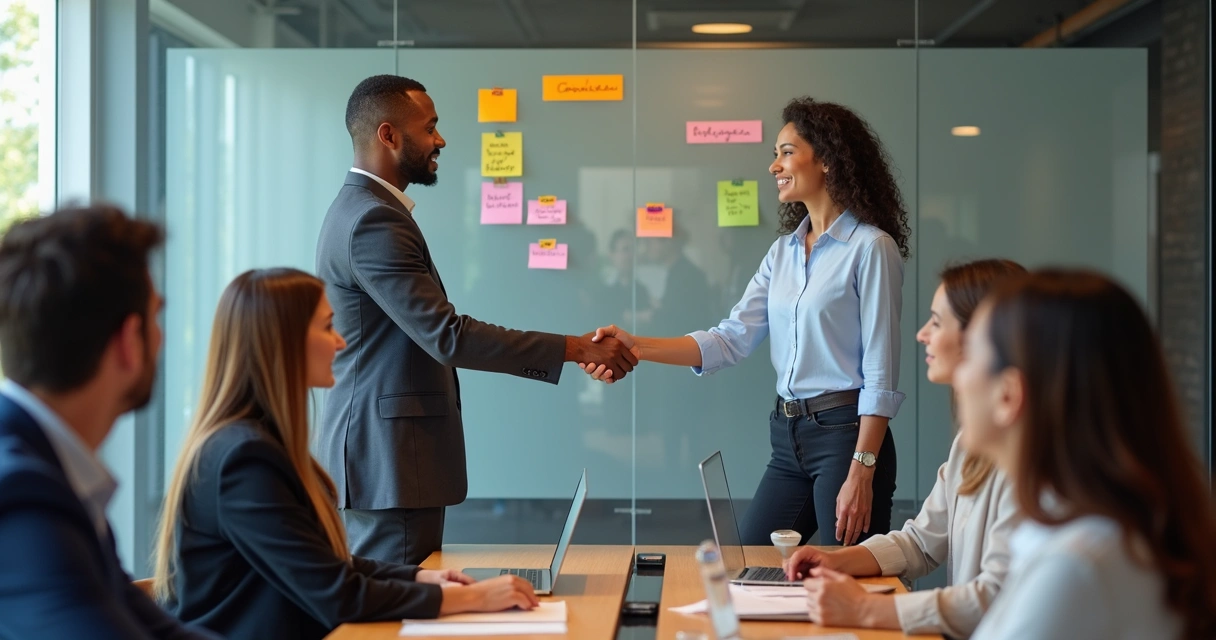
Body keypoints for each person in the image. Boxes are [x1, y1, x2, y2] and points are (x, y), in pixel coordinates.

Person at [315, 74, 636, 565]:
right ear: (388, 135)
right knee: (396, 612)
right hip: (390, 461)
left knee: (400, 602)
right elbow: (446, 335)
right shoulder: (373, 221)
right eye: (431, 127)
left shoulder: (362, 211)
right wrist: (576, 347)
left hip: (388, 459)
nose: (440, 139)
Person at [584, 96, 910, 547]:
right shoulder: (783, 253)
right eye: (775, 154)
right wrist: (635, 343)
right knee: (748, 565)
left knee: (847, 584)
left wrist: (863, 469)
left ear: (829, 160)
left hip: (846, 437)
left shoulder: (871, 249)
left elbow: (881, 373)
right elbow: (729, 339)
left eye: (786, 152)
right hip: (788, 435)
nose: (774, 165)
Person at [153, 268, 539, 640]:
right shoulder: (244, 460)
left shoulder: (252, 443)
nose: (340, 341)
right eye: (326, 327)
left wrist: (419, 577)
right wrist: (472, 598)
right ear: (283, 343)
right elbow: (336, 595)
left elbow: (322, 563)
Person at [956, 270, 1216, 639]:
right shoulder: (1103, 534)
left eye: (968, 355)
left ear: (1009, 394)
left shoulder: (1074, 566)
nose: (958, 377)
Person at [0, 206, 218, 639]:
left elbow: (160, 630)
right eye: (156, 317)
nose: (162, 338)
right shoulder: (22, 493)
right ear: (128, 342)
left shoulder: (50, 473)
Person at [784, 259, 1026, 638]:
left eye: (936, 322)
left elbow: (992, 600)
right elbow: (921, 542)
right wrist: (836, 561)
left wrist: (865, 608)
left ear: (980, 337)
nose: (921, 334)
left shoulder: (1031, 463)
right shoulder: (969, 444)